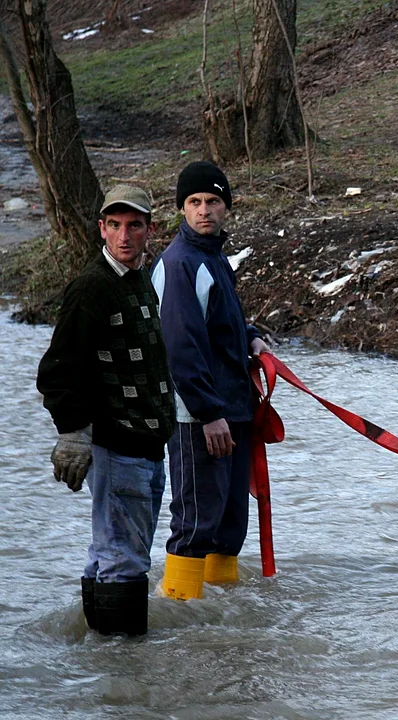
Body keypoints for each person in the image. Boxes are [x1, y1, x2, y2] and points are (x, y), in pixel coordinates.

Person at [36, 185, 176, 636]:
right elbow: (58, 370)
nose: (124, 235)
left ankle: (99, 668)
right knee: (124, 561)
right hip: (117, 448)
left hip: (147, 446)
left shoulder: (140, 280)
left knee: (109, 554)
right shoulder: (90, 288)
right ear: (101, 228)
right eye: (114, 225)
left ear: (150, 230)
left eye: (134, 225)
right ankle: (127, 676)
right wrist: (73, 433)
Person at [152, 161, 269, 601]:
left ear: (227, 208)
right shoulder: (179, 263)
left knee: (228, 525)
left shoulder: (213, 257)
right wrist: (208, 413)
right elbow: (180, 347)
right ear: (182, 208)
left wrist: (252, 338)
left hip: (232, 409)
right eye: (195, 202)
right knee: (197, 522)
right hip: (197, 417)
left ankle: (223, 624)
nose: (205, 210)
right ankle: (181, 614)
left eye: (214, 201)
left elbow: (221, 324)